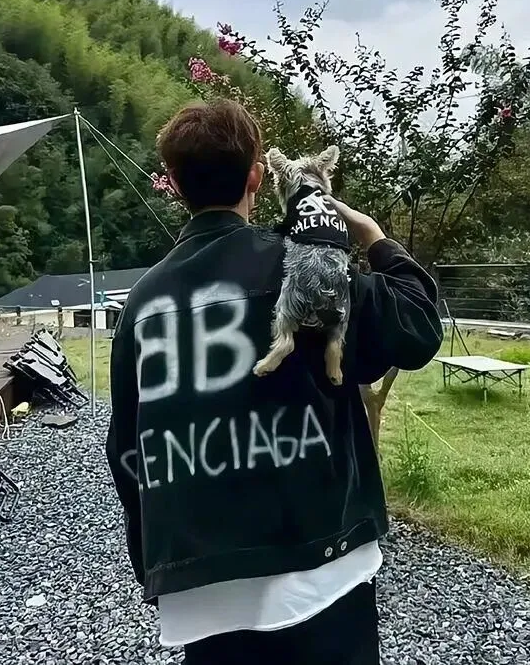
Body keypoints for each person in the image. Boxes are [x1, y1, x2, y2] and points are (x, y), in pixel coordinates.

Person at [106, 98, 443, 665]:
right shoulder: (303, 262)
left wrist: (160, 566)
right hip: (324, 573)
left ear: (174, 183)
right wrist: (375, 236)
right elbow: (417, 329)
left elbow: (126, 449)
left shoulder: (140, 303)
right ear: (256, 177)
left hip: (203, 597)